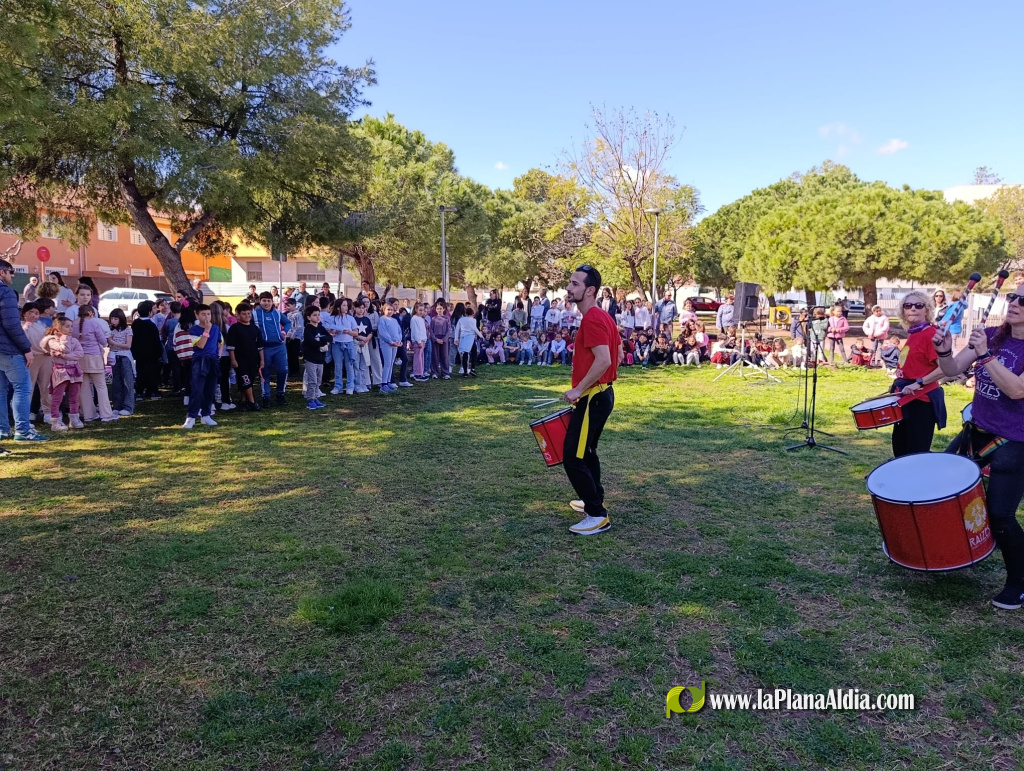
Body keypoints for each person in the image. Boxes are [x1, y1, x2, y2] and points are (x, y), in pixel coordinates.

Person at [933, 282, 1024, 609]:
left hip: (1015, 440)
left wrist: (985, 355)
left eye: (1022, 300)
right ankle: (949, 552)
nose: (1014, 302)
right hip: (977, 432)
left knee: (1001, 514)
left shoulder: (991, 344)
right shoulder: (992, 334)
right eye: (1013, 296)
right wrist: (944, 350)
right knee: (941, 490)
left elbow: (1016, 390)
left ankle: (1018, 582)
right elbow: (953, 370)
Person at [560, 265, 620, 536]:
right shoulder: (604, 317)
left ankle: (596, 514)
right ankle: (593, 498)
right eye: (570, 283)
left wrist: (578, 390)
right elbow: (616, 353)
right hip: (603, 394)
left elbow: (605, 359)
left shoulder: (593, 319)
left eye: (574, 284)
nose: (569, 288)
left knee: (572, 456)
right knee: (587, 452)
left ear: (590, 290)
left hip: (593, 397)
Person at [889, 290, 945, 457]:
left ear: (926, 310)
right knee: (900, 447)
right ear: (903, 311)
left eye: (918, 305)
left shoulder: (930, 334)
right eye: (908, 305)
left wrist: (918, 383)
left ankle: (917, 482)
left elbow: (944, 369)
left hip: (921, 402)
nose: (913, 308)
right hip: (905, 398)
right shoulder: (914, 333)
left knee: (916, 453)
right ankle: (901, 481)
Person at [0, 262, 49, 448]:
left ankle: (3, 429)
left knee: (1, 391)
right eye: (11, 272)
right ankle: (23, 430)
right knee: (22, 387)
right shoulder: (5, 292)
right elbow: (12, 324)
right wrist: (26, 348)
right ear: (2, 272)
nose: (12, 276)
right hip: (9, 349)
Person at [72, 304, 117, 423]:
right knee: (101, 386)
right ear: (91, 313)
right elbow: (103, 341)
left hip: (79, 358)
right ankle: (106, 414)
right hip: (94, 357)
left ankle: (88, 415)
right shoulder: (94, 323)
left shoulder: (73, 324)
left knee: (84, 387)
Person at [41, 314, 83, 432]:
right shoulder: (51, 341)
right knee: (57, 397)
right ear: (58, 328)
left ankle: (74, 419)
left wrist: (64, 356)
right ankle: (55, 420)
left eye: (71, 327)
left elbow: (80, 353)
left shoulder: (74, 340)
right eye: (67, 327)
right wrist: (64, 340)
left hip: (74, 371)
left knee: (74, 396)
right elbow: (65, 348)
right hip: (60, 371)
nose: (70, 329)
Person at [182, 304, 219, 429]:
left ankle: (206, 415)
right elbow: (201, 345)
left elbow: (220, 342)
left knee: (210, 389)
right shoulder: (193, 330)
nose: (207, 317)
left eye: (208, 314)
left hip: (212, 360)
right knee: (197, 389)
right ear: (197, 315)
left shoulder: (216, 328)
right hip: (199, 361)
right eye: (203, 314)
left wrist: (217, 355)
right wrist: (206, 331)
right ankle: (191, 417)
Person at [254, 291, 290, 407]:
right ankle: (266, 397)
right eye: (264, 300)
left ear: (272, 301)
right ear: (260, 301)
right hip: (264, 348)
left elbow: (288, 323)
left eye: (269, 301)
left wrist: (284, 332)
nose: (266, 303)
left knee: (283, 371)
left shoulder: (277, 313)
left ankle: (280, 394)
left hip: (279, 347)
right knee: (265, 373)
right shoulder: (255, 314)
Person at [226, 301, 264, 412]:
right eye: (244, 314)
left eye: (249, 313)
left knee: (249, 381)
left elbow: (260, 346)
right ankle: (252, 402)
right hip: (240, 360)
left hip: (253, 359)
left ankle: (244, 401)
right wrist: (233, 359)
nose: (247, 316)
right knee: (245, 380)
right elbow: (230, 346)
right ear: (237, 315)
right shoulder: (235, 328)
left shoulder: (255, 328)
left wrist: (262, 360)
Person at [25, 300, 54, 424]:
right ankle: (25, 412)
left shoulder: (42, 326)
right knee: (28, 386)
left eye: (36, 313)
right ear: (24, 314)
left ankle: (48, 412)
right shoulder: (22, 327)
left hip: (45, 358)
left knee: (46, 386)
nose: (34, 315)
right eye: (31, 312)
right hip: (30, 359)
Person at [324, 298, 358, 395]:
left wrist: (349, 332)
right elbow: (326, 330)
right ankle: (338, 386)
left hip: (349, 343)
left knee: (349, 365)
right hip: (337, 343)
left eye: (347, 305)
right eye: (343, 305)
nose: (346, 307)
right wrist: (333, 332)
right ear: (338, 307)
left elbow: (356, 332)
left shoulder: (350, 318)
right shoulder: (331, 318)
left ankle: (350, 386)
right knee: (338, 366)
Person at [131, 300, 163, 400]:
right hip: (152, 354)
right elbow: (156, 340)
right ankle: (152, 391)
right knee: (152, 372)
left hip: (139, 353)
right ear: (149, 312)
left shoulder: (135, 324)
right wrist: (159, 352)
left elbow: (133, 339)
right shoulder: (151, 325)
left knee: (140, 372)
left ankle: (140, 391)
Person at [107, 309, 135, 416]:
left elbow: (128, 345)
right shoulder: (111, 330)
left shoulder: (128, 330)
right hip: (114, 356)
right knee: (116, 383)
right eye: (112, 319)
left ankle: (129, 406)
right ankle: (117, 405)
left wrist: (113, 342)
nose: (113, 321)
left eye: (116, 318)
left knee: (127, 382)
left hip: (124, 357)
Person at [301, 305, 330, 409]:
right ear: (309, 317)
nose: (318, 317)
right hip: (311, 359)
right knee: (312, 381)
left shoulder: (321, 327)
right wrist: (323, 342)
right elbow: (311, 342)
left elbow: (329, 337)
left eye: (319, 315)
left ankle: (315, 397)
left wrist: (321, 340)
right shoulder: (308, 329)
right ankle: (310, 400)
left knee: (318, 380)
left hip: (320, 359)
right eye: (315, 315)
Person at [377, 300, 403, 393]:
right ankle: (383, 384)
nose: (390, 311)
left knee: (391, 363)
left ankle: (388, 382)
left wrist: (399, 341)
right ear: (384, 310)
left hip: (395, 344)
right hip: (387, 344)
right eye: (388, 309)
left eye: (391, 310)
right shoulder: (382, 319)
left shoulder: (394, 320)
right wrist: (390, 341)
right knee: (387, 363)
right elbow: (383, 332)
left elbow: (399, 331)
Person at [453, 304, 483, 377]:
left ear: (465, 313)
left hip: (463, 337)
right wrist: (481, 335)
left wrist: (456, 338)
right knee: (474, 352)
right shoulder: (473, 320)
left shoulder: (461, 319)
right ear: (472, 314)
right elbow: (475, 329)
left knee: (465, 353)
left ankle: (465, 371)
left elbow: (457, 329)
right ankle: (473, 368)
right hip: (471, 338)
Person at [429, 299, 451, 380]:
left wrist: (444, 339)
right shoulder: (433, 319)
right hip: (436, 339)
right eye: (437, 308)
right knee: (435, 356)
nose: (439, 310)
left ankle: (445, 372)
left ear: (444, 309)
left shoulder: (446, 319)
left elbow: (449, 330)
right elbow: (431, 330)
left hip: (444, 340)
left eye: (440, 308)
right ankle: (434, 372)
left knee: (444, 356)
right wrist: (435, 339)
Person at [410, 302, 429, 380]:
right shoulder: (414, 319)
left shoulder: (421, 319)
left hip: (422, 341)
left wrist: (424, 340)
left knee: (421, 357)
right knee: (417, 358)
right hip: (418, 341)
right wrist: (418, 341)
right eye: (420, 310)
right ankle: (417, 374)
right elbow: (415, 331)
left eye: (423, 310)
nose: (421, 312)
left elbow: (422, 330)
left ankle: (420, 373)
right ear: (416, 309)